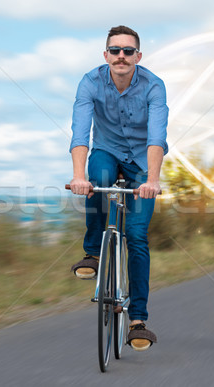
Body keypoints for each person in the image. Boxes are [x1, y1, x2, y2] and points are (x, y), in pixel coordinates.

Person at [68, 25, 168, 352]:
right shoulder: (90, 83)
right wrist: (78, 176)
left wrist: (152, 180)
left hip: (141, 159)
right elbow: (80, 133)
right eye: (115, 50)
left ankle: (138, 320)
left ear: (139, 56)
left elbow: (156, 137)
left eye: (128, 51)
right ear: (106, 55)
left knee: (137, 236)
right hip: (106, 150)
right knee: (97, 180)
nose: (121, 56)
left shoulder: (154, 86)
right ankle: (94, 252)